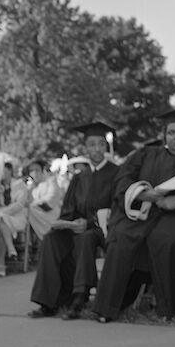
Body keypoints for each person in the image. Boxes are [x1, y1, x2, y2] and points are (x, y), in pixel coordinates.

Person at [91, 110, 175, 321]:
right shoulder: (147, 154)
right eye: (171, 132)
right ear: (165, 135)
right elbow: (122, 179)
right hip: (146, 213)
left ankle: (173, 306)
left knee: (170, 239)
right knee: (121, 236)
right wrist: (142, 193)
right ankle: (109, 306)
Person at [28, 122, 119, 319]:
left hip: (102, 229)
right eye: (92, 144)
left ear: (106, 147)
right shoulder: (80, 177)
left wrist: (89, 223)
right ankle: (49, 302)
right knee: (52, 239)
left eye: (100, 144)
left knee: (85, 237)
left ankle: (80, 296)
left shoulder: (116, 173)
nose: (96, 149)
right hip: (77, 226)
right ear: (85, 147)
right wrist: (67, 223)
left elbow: (117, 208)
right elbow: (69, 209)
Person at [0, 157, 32, 277]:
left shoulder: (19, 184)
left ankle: (2, 262)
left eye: (5, 172)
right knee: (1, 221)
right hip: (0, 219)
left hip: (16, 217)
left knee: (0, 218)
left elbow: (19, 204)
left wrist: (3, 212)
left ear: (10, 171)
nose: (3, 174)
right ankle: (10, 250)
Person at [26, 158, 67, 242]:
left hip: (49, 214)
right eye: (31, 170)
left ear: (42, 170)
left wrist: (34, 204)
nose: (34, 173)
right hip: (34, 215)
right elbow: (26, 201)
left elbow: (51, 198)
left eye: (37, 170)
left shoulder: (51, 181)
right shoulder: (30, 187)